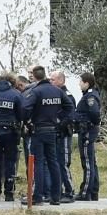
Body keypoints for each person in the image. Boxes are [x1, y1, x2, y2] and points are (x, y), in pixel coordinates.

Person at [21, 66, 72, 205]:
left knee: (38, 163)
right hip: (52, 130)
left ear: (35, 77)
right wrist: (58, 119)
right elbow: (69, 107)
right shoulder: (57, 91)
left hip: (38, 130)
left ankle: (38, 197)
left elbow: (25, 108)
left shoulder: (36, 91)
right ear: (45, 76)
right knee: (53, 162)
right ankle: (56, 197)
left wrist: (27, 121)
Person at [0, 72, 24, 202]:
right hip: (11, 132)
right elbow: (21, 114)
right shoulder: (16, 94)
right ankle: (9, 193)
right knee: (10, 162)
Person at [73, 73, 102, 201]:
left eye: (81, 81)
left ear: (87, 83)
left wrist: (89, 124)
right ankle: (93, 191)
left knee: (88, 163)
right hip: (87, 130)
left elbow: (95, 113)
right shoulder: (88, 95)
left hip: (87, 131)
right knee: (91, 162)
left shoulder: (90, 96)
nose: (79, 84)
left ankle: (85, 193)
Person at [51, 70, 78, 203]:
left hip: (64, 133)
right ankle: (59, 190)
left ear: (61, 80)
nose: (51, 82)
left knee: (63, 163)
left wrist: (60, 125)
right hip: (56, 133)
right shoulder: (54, 94)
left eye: (53, 79)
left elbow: (70, 115)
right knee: (56, 162)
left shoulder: (67, 96)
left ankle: (69, 191)